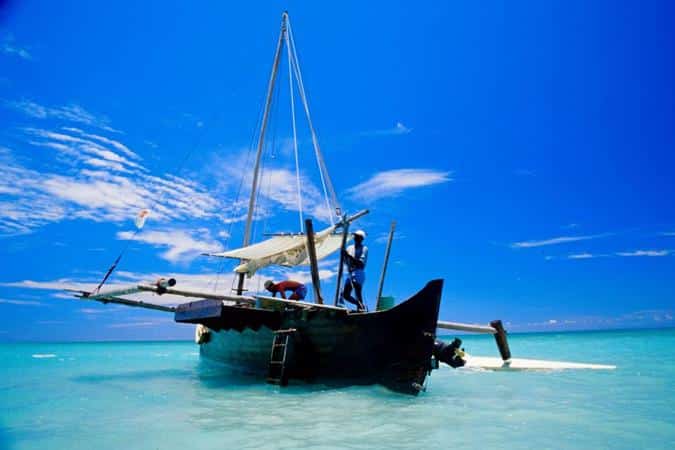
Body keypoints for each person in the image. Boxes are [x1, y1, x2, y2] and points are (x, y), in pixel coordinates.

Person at [341, 229, 368, 311]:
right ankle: (360, 305)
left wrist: (348, 256)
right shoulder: (349, 248)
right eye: (355, 236)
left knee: (357, 291)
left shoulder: (364, 248)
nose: (356, 238)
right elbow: (346, 261)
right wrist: (344, 256)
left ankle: (360, 309)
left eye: (358, 237)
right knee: (345, 295)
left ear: (361, 239)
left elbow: (360, 263)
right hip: (350, 272)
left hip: (359, 272)